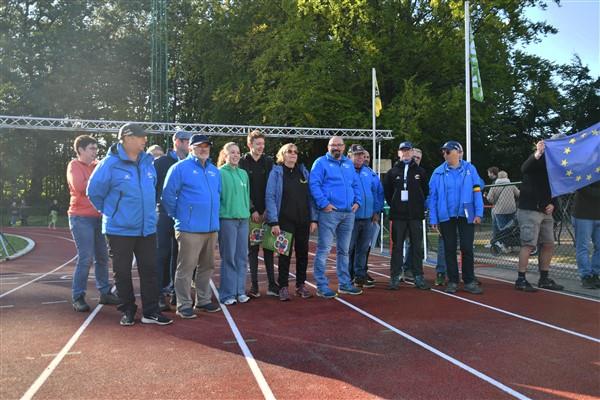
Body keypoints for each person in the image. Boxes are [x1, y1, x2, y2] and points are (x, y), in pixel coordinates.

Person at [87, 123, 172, 326]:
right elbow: (94, 192)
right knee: (122, 272)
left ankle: (150, 312)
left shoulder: (147, 162)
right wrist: (112, 212)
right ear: (126, 138)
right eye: (140, 136)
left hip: (147, 228)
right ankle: (127, 310)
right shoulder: (110, 164)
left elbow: (151, 189)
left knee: (150, 270)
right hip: (120, 229)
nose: (145, 140)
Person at [162, 134, 222, 318]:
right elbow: (168, 196)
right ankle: (183, 304)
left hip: (211, 228)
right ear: (190, 148)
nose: (204, 149)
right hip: (189, 229)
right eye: (199, 146)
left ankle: (203, 300)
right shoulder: (179, 168)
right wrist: (180, 217)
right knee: (186, 268)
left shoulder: (214, 171)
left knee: (207, 266)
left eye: (207, 146)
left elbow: (218, 195)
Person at [67, 135, 119, 312]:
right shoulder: (74, 165)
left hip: (98, 217)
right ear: (80, 150)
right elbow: (81, 187)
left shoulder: (98, 166)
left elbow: (108, 185)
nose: (95, 152)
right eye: (91, 148)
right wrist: (100, 181)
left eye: (96, 149)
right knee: (86, 257)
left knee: (102, 257)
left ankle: (105, 292)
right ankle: (78, 296)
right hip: (80, 218)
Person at [309, 136, 363, 298]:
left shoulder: (348, 163)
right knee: (324, 249)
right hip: (329, 212)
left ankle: (345, 284)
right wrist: (323, 203)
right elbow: (314, 184)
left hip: (348, 213)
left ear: (344, 147)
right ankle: (321, 285)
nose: (336, 147)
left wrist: (358, 201)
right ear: (328, 146)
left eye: (339, 145)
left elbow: (355, 184)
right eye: (333, 145)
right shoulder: (320, 163)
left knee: (344, 251)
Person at [429, 140, 484, 294]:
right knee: (449, 248)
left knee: (467, 247)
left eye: (448, 151)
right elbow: (433, 197)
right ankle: (452, 281)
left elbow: (477, 191)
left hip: (467, 213)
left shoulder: (470, 169)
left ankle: (469, 281)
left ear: (459, 153)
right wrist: (433, 218)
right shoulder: (438, 172)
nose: (444, 154)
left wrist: (478, 212)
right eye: (444, 151)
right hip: (446, 214)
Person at [265, 143, 316, 300]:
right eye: (289, 152)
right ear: (283, 155)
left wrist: (314, 219)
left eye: (295, 152)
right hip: (284, 220)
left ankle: (301, 285)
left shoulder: (303, 172)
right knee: (284, 255)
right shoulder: (276, 173)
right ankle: (283, 287)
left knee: (303, 254)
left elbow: (311, 197)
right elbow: (270, 196)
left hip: (303, 220)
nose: (293, 154)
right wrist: (274, 221)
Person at [515, 140, 564, 292]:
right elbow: (525, 167)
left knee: (548, 243)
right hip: (530, 209)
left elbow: (556, 186)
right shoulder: (537, 159)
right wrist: (538, 152)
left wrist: (552, 203)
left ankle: (544, 278)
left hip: (546, 210)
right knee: (529, 244)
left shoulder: (557, 165)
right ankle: (521, 279)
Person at [384, 141, 430, 290]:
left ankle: (418, 276)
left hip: (415, 216)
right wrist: (396, 205)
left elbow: (425, 191)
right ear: (398, 153)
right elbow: (388, 193)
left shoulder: (420, 172)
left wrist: (418, 206)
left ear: (412, 152)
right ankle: (395, 277)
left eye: (408, 151)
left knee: (417, 246)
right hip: (398, 216)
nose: (405, 153)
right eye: (402, 151)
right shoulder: (392, 172)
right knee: (397, 247)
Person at [154, 130, 191, 309]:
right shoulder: (161, 162)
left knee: (180, 255)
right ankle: (160, 293)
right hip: (164, 214)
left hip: (183, 215)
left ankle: (178, 293)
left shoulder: (192, 164)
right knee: (162, 254)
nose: (186, 144)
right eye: (183, 140)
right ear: (175, 141)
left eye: (188, 141)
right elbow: (153, 187)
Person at [238, 130, 278, 298]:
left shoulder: (268, 162)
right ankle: (254, 286)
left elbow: (273, 187)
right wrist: (252, 209)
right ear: (250, 145)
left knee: (269, 249)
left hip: (268, 213)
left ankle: (272, 284)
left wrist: (269, 209)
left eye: (262, 144)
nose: (261, 147)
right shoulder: (242, 162)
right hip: (251, 214)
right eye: (257, 144)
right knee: (253, 250)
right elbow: (242, 189)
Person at [217, 142, 251, 305]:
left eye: (238, 152)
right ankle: (227, 294)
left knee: (242, 257)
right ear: (225, 155)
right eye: (232, 152)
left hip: (243, 220)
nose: (236, 155)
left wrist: (247, 214)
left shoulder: (243, 174)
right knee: (229, 257)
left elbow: (246, 196)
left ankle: (240, 291)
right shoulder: (219, 173)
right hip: (227, 220)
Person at [348, 144, 384, 288]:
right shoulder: (345, 172)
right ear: (350, 156)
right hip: (351, 218)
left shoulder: (369, 173)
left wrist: (376, 211)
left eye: (362, 155)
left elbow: (377, 193)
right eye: (357, 155)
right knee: (348, 249)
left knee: (363, 249)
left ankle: (360, 275)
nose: (360, 157)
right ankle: (348, 276)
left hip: (368, 217)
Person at [572, 181, 600, 289]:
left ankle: (595, 274)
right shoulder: (585, 168)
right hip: (583, 215)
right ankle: (586, 276)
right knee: (583, 247)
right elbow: (583, 189)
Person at [486, 170, 520, 250]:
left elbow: (489, 198)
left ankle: (504, 245)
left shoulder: (494, 186)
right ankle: (510, 245)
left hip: (499, 210)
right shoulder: (511, 185)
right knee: (511, 228)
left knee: (502, 229)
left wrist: (494, 200)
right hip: (511, 209)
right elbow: (518, 194)